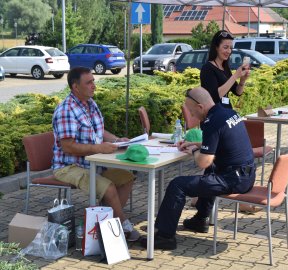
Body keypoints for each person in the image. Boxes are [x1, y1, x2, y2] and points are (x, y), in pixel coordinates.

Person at [141, 87, 256, 250]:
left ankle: (165, 237)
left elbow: (204, 162)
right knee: (211, 172)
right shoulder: (227, 113)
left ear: (201, 107)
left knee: (178, 184)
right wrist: (197, 145)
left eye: (192, 112)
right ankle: (200, 220)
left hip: (234, 180)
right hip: (246, 175)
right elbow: (219, 143)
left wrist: (194, 151)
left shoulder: (212, 122)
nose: (192, 116)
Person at [52, 66, 139, 241]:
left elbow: (98, 131)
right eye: (89, 82)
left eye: (93, 81)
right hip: (69, 167)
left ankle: (107, 223)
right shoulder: (66, 110)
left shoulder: (90, 103)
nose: (94, 85)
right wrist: (99, 148)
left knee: (127, 177)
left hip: (92, 163)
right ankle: (123, 226)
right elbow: (68, 146)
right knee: (109, 187)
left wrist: (116, 140)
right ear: (76, 87)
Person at [200, 30, 250, 109]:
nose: (229, 51)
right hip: (215, 115)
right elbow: (215, 96)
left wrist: (242, 80)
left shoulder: (225, 68)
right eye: (225, 47)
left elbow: (238, 92)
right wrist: (235, 76)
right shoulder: (207, 68)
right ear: (216, 47)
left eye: (230, 48)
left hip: (226, 112)